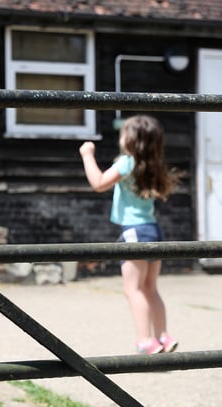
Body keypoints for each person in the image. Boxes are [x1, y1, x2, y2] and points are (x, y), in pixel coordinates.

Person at [79, 115, 182, 354]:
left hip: (134, 231)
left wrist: (87, 155)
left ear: (131, 140)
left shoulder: (128, 162)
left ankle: (146, 340)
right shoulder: (153, 163)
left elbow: (99, 183)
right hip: (153, 229)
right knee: (150, 288)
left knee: (133, 288)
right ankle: (163, 337)